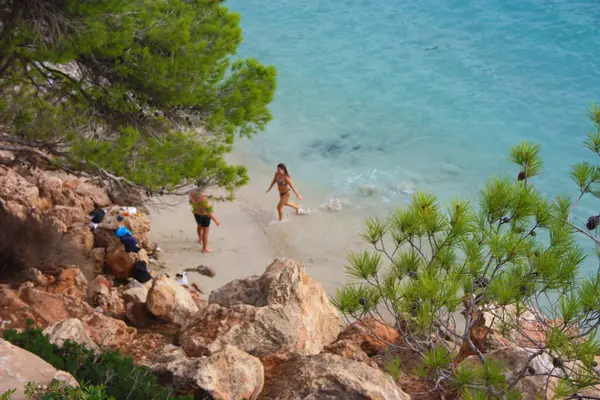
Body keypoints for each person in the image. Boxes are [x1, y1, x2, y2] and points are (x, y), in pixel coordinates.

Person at [189, 188, 220, 253]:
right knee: (205, 231)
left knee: (199, 226)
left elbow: (191, 202)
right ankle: (205, 248)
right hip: (205, 215)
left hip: (196, 213)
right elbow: (208, 211)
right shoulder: (203, 197)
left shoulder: (191, 193)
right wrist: (216, 220)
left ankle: (200, 240)